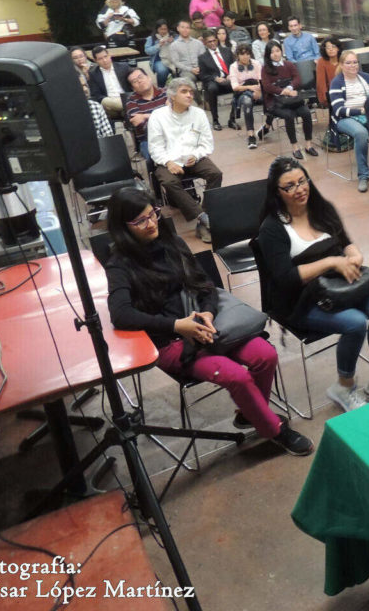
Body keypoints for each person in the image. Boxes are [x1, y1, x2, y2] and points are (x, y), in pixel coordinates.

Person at [104, 187, 313, 456]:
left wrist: (209, 313)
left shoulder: (172, 243)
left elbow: (205, 285)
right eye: (141, 221)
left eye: (152, 214)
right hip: (171, 341)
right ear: (123, 227)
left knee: (265, 355)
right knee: (236, 376)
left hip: (205, 324)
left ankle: (250, 415)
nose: (151, 223)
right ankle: (273, 430)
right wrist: (178, 326)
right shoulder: (119, 264)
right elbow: (120, 315)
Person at [255, 157, 369, 413]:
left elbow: (345, 241)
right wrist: (332, 262)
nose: (299, 189)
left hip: (336, 288)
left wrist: (354, 255)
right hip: (299, 300)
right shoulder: (273, 228)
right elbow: (285, 279)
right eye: (289, 186)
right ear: (276, 192)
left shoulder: (322, 209)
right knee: (354, 323)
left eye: (302, 181)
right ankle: (344, 387)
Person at [146, 78, 222, 243]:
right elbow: (155, 148)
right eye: (184, 91)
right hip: (168, 160)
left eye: (191, 92)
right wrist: (168, 162)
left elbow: (207, 144)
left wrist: (196, 155)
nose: (189, 95)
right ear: (172, 96)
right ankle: (203, 218)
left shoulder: (199, 114)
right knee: (169, 181)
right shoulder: (157, 116)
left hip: (194, 157)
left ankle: (203, 220)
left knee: (215, 173)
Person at [328, 50, 369, 192]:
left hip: (368, 114)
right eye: (348, 63)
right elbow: (338, 110)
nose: (353, 65)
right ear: (342, 65)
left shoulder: (367, 77)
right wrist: (361, 111)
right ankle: (363, 176)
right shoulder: (336, 82)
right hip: (345, 119)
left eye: (355, 62)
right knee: (361, 133)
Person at [259, 41, 318, 159]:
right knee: (289, 115)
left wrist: (290, 88)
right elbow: (267, 87)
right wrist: (283, 91)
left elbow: (297, 79)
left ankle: (308, 145)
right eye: (272, 52)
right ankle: (295, 147)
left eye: (277, 51)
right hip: (276, 102)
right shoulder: (265, 69)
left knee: (306, 113)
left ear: (281, 51)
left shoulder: (289, 64)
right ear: (268, 54)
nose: (275, 54)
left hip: (292, 99)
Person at [197, 29, 237, 131]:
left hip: (228, 79)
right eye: (209, 42)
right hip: (214, 82)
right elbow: (202, 75)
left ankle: (232, 118)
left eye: (214, 40)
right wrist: (215, 78)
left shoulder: (227, 51)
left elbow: (235, 65)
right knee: (211, 88)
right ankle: (215, 120)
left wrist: (231, 74)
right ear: (205, 43)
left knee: (238, 87)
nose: (213, 43)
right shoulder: (202, 57)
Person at [125, 66, 167, 159]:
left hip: (173, 133)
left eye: (140, 77)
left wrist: (145, 116)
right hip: (149, 139)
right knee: (151, 157)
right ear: (133, 88)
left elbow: (175, 115)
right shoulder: (131, 102)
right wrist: (166, 116)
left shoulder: (166, 93)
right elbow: (141, 125)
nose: (139, 81)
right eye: (135, 81)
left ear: (148, 77)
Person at [229, 44, 263, 149]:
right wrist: (250, 87)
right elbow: (235, 87)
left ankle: (266, 127)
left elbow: (261, 80)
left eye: (247, 54)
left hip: (258, 90)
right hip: (242, 92)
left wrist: (258, 91)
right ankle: (251, 136)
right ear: (238, 55)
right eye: (242, 54)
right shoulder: (233, 67)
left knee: (272, 100)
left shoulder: (256, 63)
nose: (245, 56)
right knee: (247, 102)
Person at [87, 44, 132, 118]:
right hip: (108, 102)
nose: (104, 60)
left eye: (105, 56)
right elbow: (96, 95)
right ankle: (125, 106)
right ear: (95, 61)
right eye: (100, 59)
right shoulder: (93, 74)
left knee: (126, 110)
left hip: (125, 97)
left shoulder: (123, 67)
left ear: (109, 55)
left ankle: (124, 108)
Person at [143, 19, 175, 87]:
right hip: (158, 60)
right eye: (161, 29)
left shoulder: (173, 36)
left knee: (180, 68)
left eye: (165, 29)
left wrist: (173, 42)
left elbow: (180, 48)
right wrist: (158, 45)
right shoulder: (151, 38)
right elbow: (147, 51)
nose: (163, 31)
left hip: (172, 60)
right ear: (157, 29)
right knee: (162, 70)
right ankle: (161, 88)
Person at [316, 36, 341, 107]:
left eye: (333, 46)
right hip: (331, 94)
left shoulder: (343, 59)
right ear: (325, 50)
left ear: (338, 48)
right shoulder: (321, 61)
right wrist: (325, 99)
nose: (331, 49)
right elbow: (321, 84)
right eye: (328, 47)